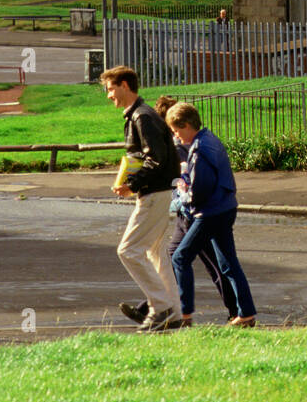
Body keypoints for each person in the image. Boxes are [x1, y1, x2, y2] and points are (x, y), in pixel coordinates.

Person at [124, 96, 238, 325]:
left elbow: (188, 178)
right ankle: (156, 307)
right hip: (187, 212)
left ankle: (231, 311)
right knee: (177, 259)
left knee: (211, 262)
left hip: (196, 211)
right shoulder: (178, 143)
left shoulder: (180, 146)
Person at [102, 65, 182, 332]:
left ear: (125, 85)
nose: (108, 96)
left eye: (111, 89)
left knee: (128, 250)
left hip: (154, 194)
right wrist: (131, 183)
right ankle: (175, 313)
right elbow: (150, 158)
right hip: (159, 192)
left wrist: (133, 183)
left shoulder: (142, 117)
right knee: (156, 252)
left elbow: (155, 158)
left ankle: (161, 308)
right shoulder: (139, 115)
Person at [166, 102, 256, 327]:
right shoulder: (209, 140)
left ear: (186, 125)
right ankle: (246, 314)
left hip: (210, 212)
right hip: (224, 207)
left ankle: (184, 314)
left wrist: (183, 196)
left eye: (176, 131)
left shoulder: (200, 149)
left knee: (180, 257)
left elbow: (201, 190)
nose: (176, 137)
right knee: (228, 264)